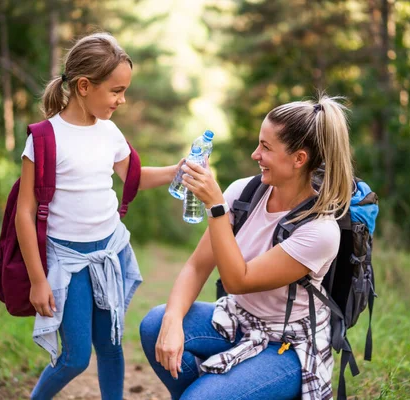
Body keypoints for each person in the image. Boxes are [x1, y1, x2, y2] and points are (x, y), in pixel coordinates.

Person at [140, 95, 355, 400]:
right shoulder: (245, 192)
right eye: (259, 143)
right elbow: (196, 266)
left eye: (266, 148)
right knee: (155, 325)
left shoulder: (320, 231)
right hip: (237, 319)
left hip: (287, 347)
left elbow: (237, 280)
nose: (256, 154)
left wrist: (215, 208)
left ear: (299, 159)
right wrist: (173, 322)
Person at [16, 32, 180, 400]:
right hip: (69, 261)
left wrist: (177, 169)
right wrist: (38, 280)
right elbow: (24, 214)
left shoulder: (109, 132)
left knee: (111, 346)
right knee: (74, 357)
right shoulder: (44, 138)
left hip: (110, 253)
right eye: (116, 91)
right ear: (84, 86)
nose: (122, 100)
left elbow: (133, 175)